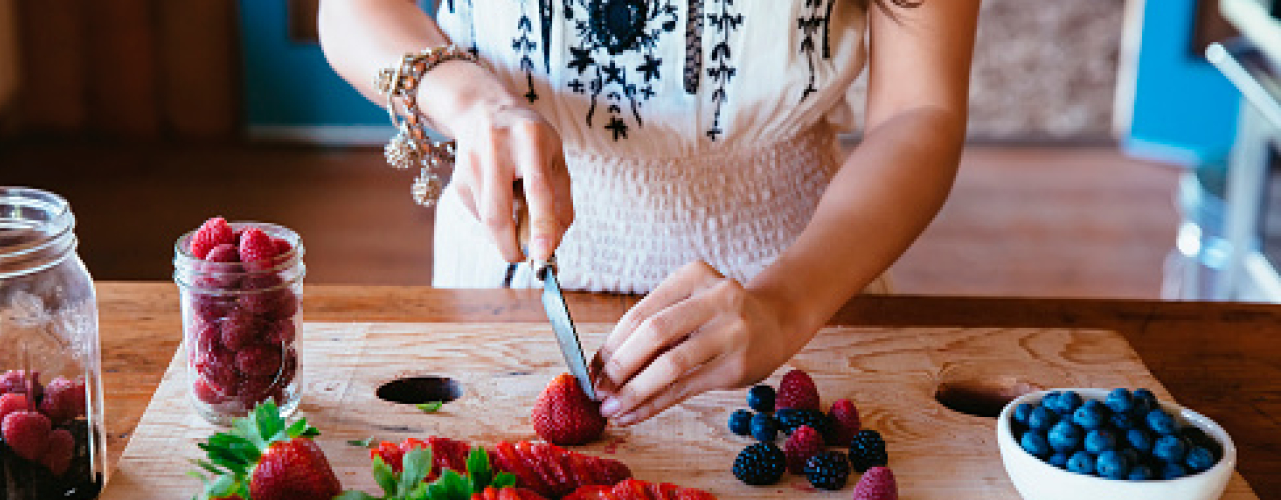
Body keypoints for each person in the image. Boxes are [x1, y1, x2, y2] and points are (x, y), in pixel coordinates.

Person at [319, 0, 980, 426]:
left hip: (808, 287)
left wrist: (785, 306)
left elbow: (920, 111)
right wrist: (466, 100)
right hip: (499, 281)